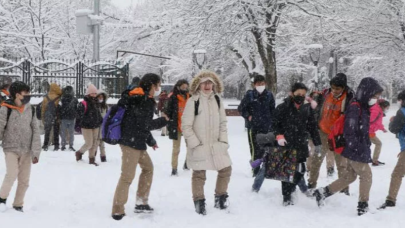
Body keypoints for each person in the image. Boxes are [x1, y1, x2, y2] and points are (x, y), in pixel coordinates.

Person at [313, 77, 383, 216]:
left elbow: (361, 130)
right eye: (375, 96)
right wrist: (356, 148)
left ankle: (322, 192)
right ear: (367, 93)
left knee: (349, 177)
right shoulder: (355, 107)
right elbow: (349, 132)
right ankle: (363, 206)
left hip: (357, 148)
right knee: (366, 175)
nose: (376, 99)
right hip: (355, 149)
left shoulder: (362, 107)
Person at [111, 73, 168, 221]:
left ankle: (141, 201)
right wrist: (164, 120)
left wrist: (150, 141)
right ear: (152, 85)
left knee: (148, 168)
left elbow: (139, 124)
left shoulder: (139, 97)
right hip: (131, 143)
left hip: (136, 141)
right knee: (127, 176)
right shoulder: (143, 100)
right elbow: (145, 125)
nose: (159, 88)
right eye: (158, 85)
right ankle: (118, 209)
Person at [182, 70, 232, 215]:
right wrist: (195, 144)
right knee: (199, 174)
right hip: (200, 145)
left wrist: (223, 141)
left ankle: (220, 198)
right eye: (204, 83)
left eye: (210, 82)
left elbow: (223, 122)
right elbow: (186, 125)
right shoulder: (193, 101)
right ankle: (199, 202)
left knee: (226, 169)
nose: (207, 85)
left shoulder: (217, 100)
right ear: (198, 85)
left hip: (216, 145)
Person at [272, 82, 322, 206]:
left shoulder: (307, 108)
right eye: (298, 93)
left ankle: (291, 187)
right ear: (292, 93)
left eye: (303, 94)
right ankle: (287, 197)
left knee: (301, 170)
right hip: (286, 144)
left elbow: (312, 127)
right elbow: (274, 125)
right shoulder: (283, 107)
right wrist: (279, 136)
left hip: (300, 144)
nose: (301, 96)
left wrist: (317, 142)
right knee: (286, 173)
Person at [308, 73, 355, 195]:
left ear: (344, 87)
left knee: (341, 164)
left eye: (337, 88)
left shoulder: (350, 99)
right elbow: (316, 108)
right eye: (333, 87)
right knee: (316, 160)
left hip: (339, 136)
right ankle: (311, 184)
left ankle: (344, 190)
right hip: (322, 132)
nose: (334, 91)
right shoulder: (325, 94)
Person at [0, 81, 41, 212]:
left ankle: (18, 205)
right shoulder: (5, 108)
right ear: (17, 95)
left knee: (24, 180)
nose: (29, 95)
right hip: (10, 148)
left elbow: (35, 130)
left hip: (26, 150)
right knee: (11, 174)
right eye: (26, 93)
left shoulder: (31, 109)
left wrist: (36, 152)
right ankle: (1, 199)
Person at [238, 75, 275, 177]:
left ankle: (267, 170)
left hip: (267, 127)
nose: (261, 86)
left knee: (267, 149)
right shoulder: (250, 95)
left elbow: (273, 110)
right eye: (258, 84)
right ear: (254, 85)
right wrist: (248, 116)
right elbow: (241, 108)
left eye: (262, 84)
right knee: (255, 149)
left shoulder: (269, 95)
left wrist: (273, 122)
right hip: (253, 127)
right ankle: (256, 171)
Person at [379, 91, 405, 209]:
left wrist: (392, 122)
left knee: (397, 174)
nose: (399, 103)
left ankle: (390, 200)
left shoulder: (402, 112)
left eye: (400, 100)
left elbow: (394, 129)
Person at [164, 80, 190, 176]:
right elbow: (167, 111)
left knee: (190, 147)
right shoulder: (173, 97)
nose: (185, 88)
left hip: (188, 126)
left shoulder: (189, 97)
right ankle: (174, 168)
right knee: (176, 149)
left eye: (186, 87)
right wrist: (170, 123)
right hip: (176, 126)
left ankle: (187, 163)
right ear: (178, 87)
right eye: (183, 87)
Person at [75, 84, 103, 166]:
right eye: (92, 93)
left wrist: (100, 120)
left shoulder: (96, 102)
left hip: (95, 125)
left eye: (95, 93)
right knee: (89, 143)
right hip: (86, 126)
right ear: (88, 93)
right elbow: (79, 115)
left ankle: (92, 159)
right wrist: (87, 120)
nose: (94, 95)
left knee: (94, 143)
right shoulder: (83, 103)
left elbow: (98, 113)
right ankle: (79, 152)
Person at [41, 83, 62, 151]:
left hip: (48, 116)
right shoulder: (59, 98)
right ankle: (56, 145)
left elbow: (43, 109)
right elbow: (61, 108)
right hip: (56, 116)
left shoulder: (46, 98)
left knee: (47, 132)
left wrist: (43, 117)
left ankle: (45, 145)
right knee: (56, 131)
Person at [369, 99, 390, 166]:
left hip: (369, 131)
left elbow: (378, 123)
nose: (387, 109)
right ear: (383, 106)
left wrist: (382, 129)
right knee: (378, 144)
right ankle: (375, 161)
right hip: (369, 132)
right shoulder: (376, 111)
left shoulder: (378, 110)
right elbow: (370, 121)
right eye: (387, 107)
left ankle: (374, 160)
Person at [60, 86, 78, 151]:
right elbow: (76, 108)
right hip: (72, 118)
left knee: (63, 132)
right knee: (71, 132)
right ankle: (71, 145)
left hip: (64, 117)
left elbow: (60, 108)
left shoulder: (62, 99)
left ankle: (63, 145)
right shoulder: (75, 99)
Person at [97, 90, 108, 162]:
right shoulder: (95, 105)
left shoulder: (105, 106)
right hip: (96, 124)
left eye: (102, 97)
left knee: (101, 141)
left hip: (103, 125)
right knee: (96, 141)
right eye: (99, 97)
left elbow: (107, 115)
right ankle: (93, 155)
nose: (101, 98)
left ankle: (103, 156)